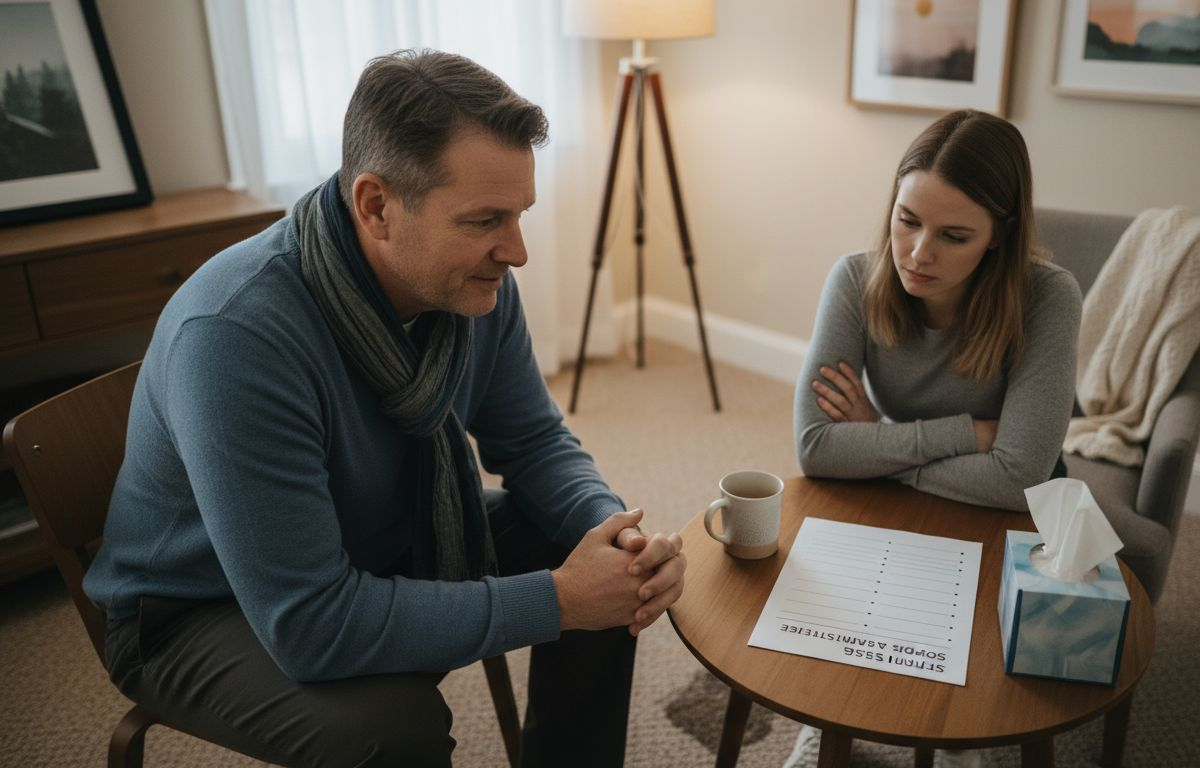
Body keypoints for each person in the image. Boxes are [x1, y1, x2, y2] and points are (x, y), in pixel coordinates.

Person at [83, 49, 686, 768]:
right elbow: (309, 622)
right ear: (375, 206)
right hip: (197, 608)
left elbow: (533, 442)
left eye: (521, 214)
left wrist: (612, 536)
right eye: (485, 219)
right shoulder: (236, 336)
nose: (517, 250)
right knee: (391, 730)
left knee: (597, 565)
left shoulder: (470, 284)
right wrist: (557, 600)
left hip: (377, 532)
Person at [784, 109, 1081, 768]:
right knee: (837, 617)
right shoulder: (855, 279)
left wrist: (878, 441)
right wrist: (965, 433)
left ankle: (953, 743)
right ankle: (828, 728)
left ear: (998, 238)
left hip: (1010, 510)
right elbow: (814, 446)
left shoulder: (1048, 297)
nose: (919, 253)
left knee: (964, 671)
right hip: (941, 471)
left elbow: (1017, 478)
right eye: (907, 219)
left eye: (953, 235)